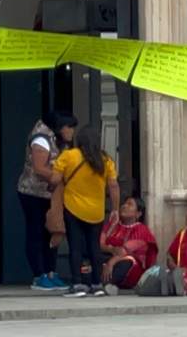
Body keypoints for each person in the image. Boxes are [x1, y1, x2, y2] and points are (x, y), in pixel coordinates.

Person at [51, 125, 119, 298]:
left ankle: (77, 283)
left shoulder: (69, 156)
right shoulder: (106, 160)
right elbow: (113, 185)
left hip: (73, 208)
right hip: (96, 211)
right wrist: (115, 208)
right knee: (94, 247)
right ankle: (97, 284)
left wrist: (54, 176)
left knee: (76, 246)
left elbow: (55, 179)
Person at [17, 111, 78, 291]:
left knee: (52, 230)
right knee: (36, 231)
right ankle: (39, 275)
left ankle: (51, 272)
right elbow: (39, 168)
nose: (72, 132)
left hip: (51, 194)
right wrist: (57, 177)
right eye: (70, 128)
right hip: (33, 193)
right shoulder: (41, 139)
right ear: (61, 127)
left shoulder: (60, 142)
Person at [99, 197, 158, 296]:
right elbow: (100, 244)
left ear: (138, 214)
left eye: (130, 204)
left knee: (127, 261)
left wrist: (111, 262)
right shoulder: (113, 224)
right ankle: (104, 284)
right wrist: (111, 249)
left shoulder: (142, 230)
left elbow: (124, 251)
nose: (124, 206)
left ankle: (104, 283)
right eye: (124, 203)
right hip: (108, 259)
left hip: (128, 266)